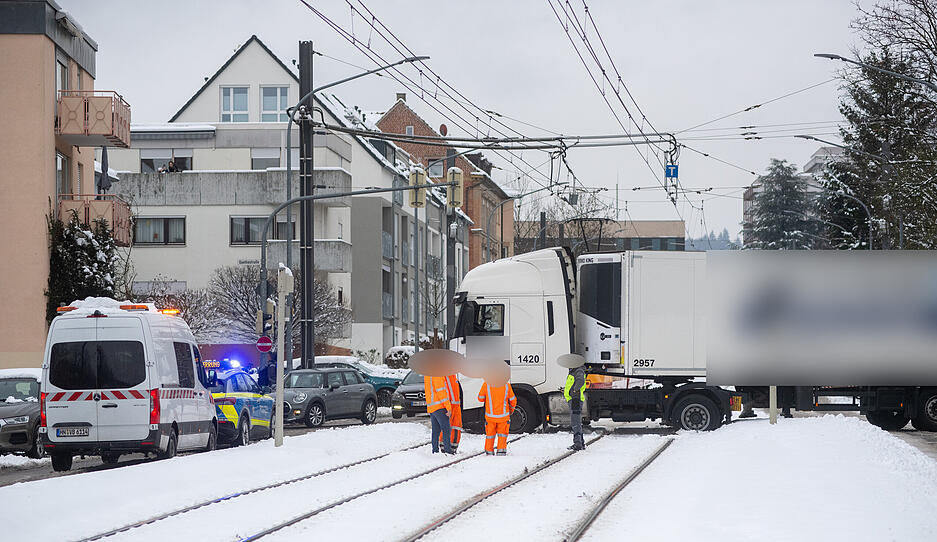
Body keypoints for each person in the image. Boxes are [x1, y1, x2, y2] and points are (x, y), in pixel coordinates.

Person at [478, 380, 516, 456]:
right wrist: (511, 411)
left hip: (490, 417)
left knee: (490, 435)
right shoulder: (506, 385)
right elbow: (513, 400)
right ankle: (501, 452)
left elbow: (480, 398)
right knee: (502, 435)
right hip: (503, 417)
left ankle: (489, 452)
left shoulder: (486, 384)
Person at [424, 375, 452, 454]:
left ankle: (435, 450)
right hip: (439, 406)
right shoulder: (437, 375)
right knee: (446, 429)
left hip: (432, 407)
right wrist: (448, 407)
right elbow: (441, 392)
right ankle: (448, 451)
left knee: (435, 430)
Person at [565, 365, 586, 450]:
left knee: (575, 422)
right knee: (576, 421)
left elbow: (580, 381)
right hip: (574, 399)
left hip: (575, 399)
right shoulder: (575, 371)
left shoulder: (578, 370)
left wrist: (574, 390)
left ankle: (578, 444)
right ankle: (581, 442)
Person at [441, 373, 462, 453]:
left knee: (456, 427)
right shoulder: (445, 376)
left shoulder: (453, 376)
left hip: (455, 406)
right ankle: (445, 447)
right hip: (449, 406)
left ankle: (453, 447)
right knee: (447, 427)